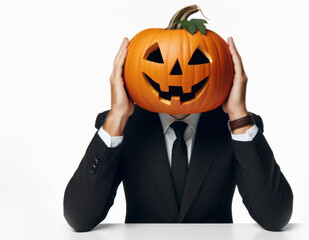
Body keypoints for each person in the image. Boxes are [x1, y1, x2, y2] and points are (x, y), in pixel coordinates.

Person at [63, 37, 293, 232]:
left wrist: (238, 114)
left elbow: (275, 217)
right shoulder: (123, 126)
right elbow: (79, 217)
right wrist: (117, 116)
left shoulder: (235, 127)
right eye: (157, 59)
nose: (176, 73)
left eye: (197, 60)